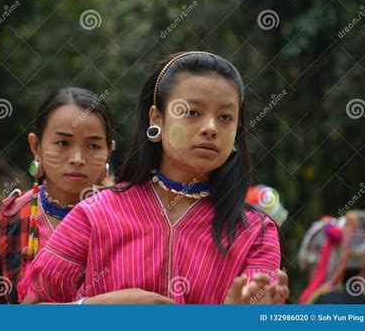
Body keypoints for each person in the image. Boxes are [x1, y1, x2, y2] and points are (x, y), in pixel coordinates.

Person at [18, 51, 289, 305]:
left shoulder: (255, 232)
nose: (210, 128)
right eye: (192, 112)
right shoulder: (95, 214)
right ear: (156, 119)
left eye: (226, 117)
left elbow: (256, 309)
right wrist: (94, 308)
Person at [0, 87, 116, 303]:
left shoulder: (129, 220)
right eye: (63, 143)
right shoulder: (3, 225)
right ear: (36, 146)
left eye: (93, 145)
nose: (77, 158)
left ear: (108, 150)